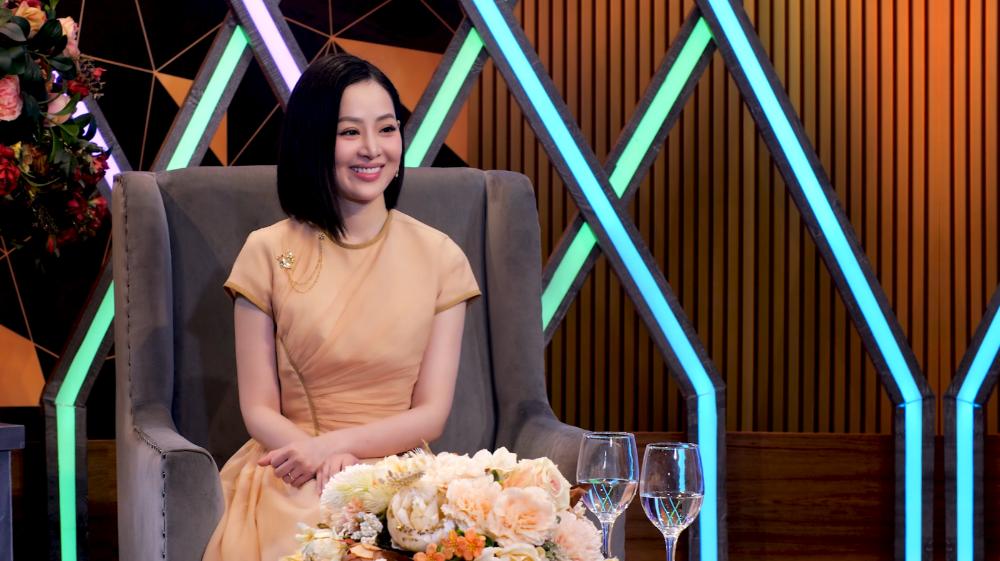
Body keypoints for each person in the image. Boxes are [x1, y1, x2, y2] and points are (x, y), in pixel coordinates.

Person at [202, 53, 480, 561]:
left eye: (387, 128)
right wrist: (314, 455)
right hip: (295, 468)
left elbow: (431, 413)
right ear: (313, 139)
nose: (373, 148)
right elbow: (258, 408)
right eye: (349, 132)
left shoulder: (441, 257)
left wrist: (338, 451)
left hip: (402, 478)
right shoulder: (266, 252)